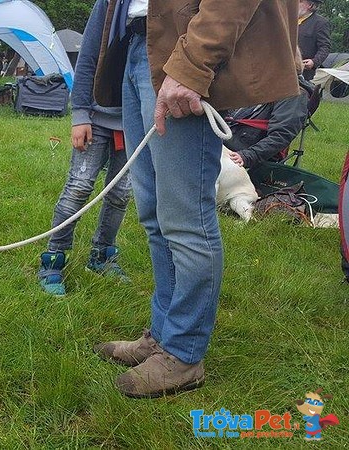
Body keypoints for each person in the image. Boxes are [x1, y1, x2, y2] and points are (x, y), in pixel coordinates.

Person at [91, 0, 299, 398]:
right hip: (140, 46)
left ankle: (184, 355)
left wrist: (193, 63)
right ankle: (163, 338)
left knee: (186, 221)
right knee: (154, 216)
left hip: (183, 50)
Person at [37, 0, 132, 297]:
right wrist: (80, 114)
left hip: (134, 122)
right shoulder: (110, 5)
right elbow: (88, 57)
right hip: (95, 116)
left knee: (120, 194)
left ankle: (102, 256)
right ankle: (53, 259)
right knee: (78, 187)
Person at [224, 61, 314, 171]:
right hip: (227, 142)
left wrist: (247, 155)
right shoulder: (261, 84)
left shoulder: (293, 94)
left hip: (246, 156)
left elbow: (281, 135)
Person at [298, 0, 331, 81]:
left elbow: (325, 47)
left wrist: (314, 62)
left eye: (300, 1)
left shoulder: (320, 23)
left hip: (305, 74)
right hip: (285, 70)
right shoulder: (288, 20)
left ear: (310, 5)